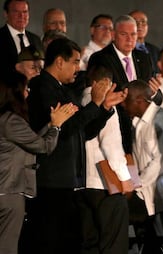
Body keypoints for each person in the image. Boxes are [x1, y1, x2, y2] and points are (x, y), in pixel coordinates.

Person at [26, 37, 127, 254]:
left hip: (69, 180)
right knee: (51, 242)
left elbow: (84, 131)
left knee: (71, 241)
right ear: (59, 62)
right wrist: (94, 104)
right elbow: (64, 130)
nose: (78, 68)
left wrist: (103, 108)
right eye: (75, 61)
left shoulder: (64, 90)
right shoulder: (43, 88)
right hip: (51, 180)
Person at [0, 71, 77, 254]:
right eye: (25, 89)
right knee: (7, 247)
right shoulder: (11, 121)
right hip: (10, 192)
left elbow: (31, 141)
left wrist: (51, 125)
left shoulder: (5, 120)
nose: (28, 93)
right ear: (15, 92)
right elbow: (44, 147)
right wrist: (57, 126)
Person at [79, 65, 133, 253]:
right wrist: (125, 178)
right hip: (105, 184)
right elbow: (111, 144)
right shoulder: (103, 104)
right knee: (113, 244)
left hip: (83, 183)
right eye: (108, 85)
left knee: (90, 243)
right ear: (99, 83)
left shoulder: (79, 100)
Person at [87, 14, 154, 155]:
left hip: (143, 129)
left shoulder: (144, 58)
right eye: (124, 34)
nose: (130, 39)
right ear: (113, 34)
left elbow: (149, 90)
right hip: (116, 125)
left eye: (133, 34)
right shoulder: (100, 58)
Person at [121, 79, 163, 253]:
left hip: (159, 198)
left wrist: (137, 184)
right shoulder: (136, 123)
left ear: (139, 101)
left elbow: (161, 160)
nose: (123, 105)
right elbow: (135, 159)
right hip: (144, 197)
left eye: (126, 101)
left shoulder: (160, 119)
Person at [0, 0, 42, 75]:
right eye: (16, 12)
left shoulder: (36, 39)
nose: (21, 16)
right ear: (6, 14)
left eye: (25, 12)